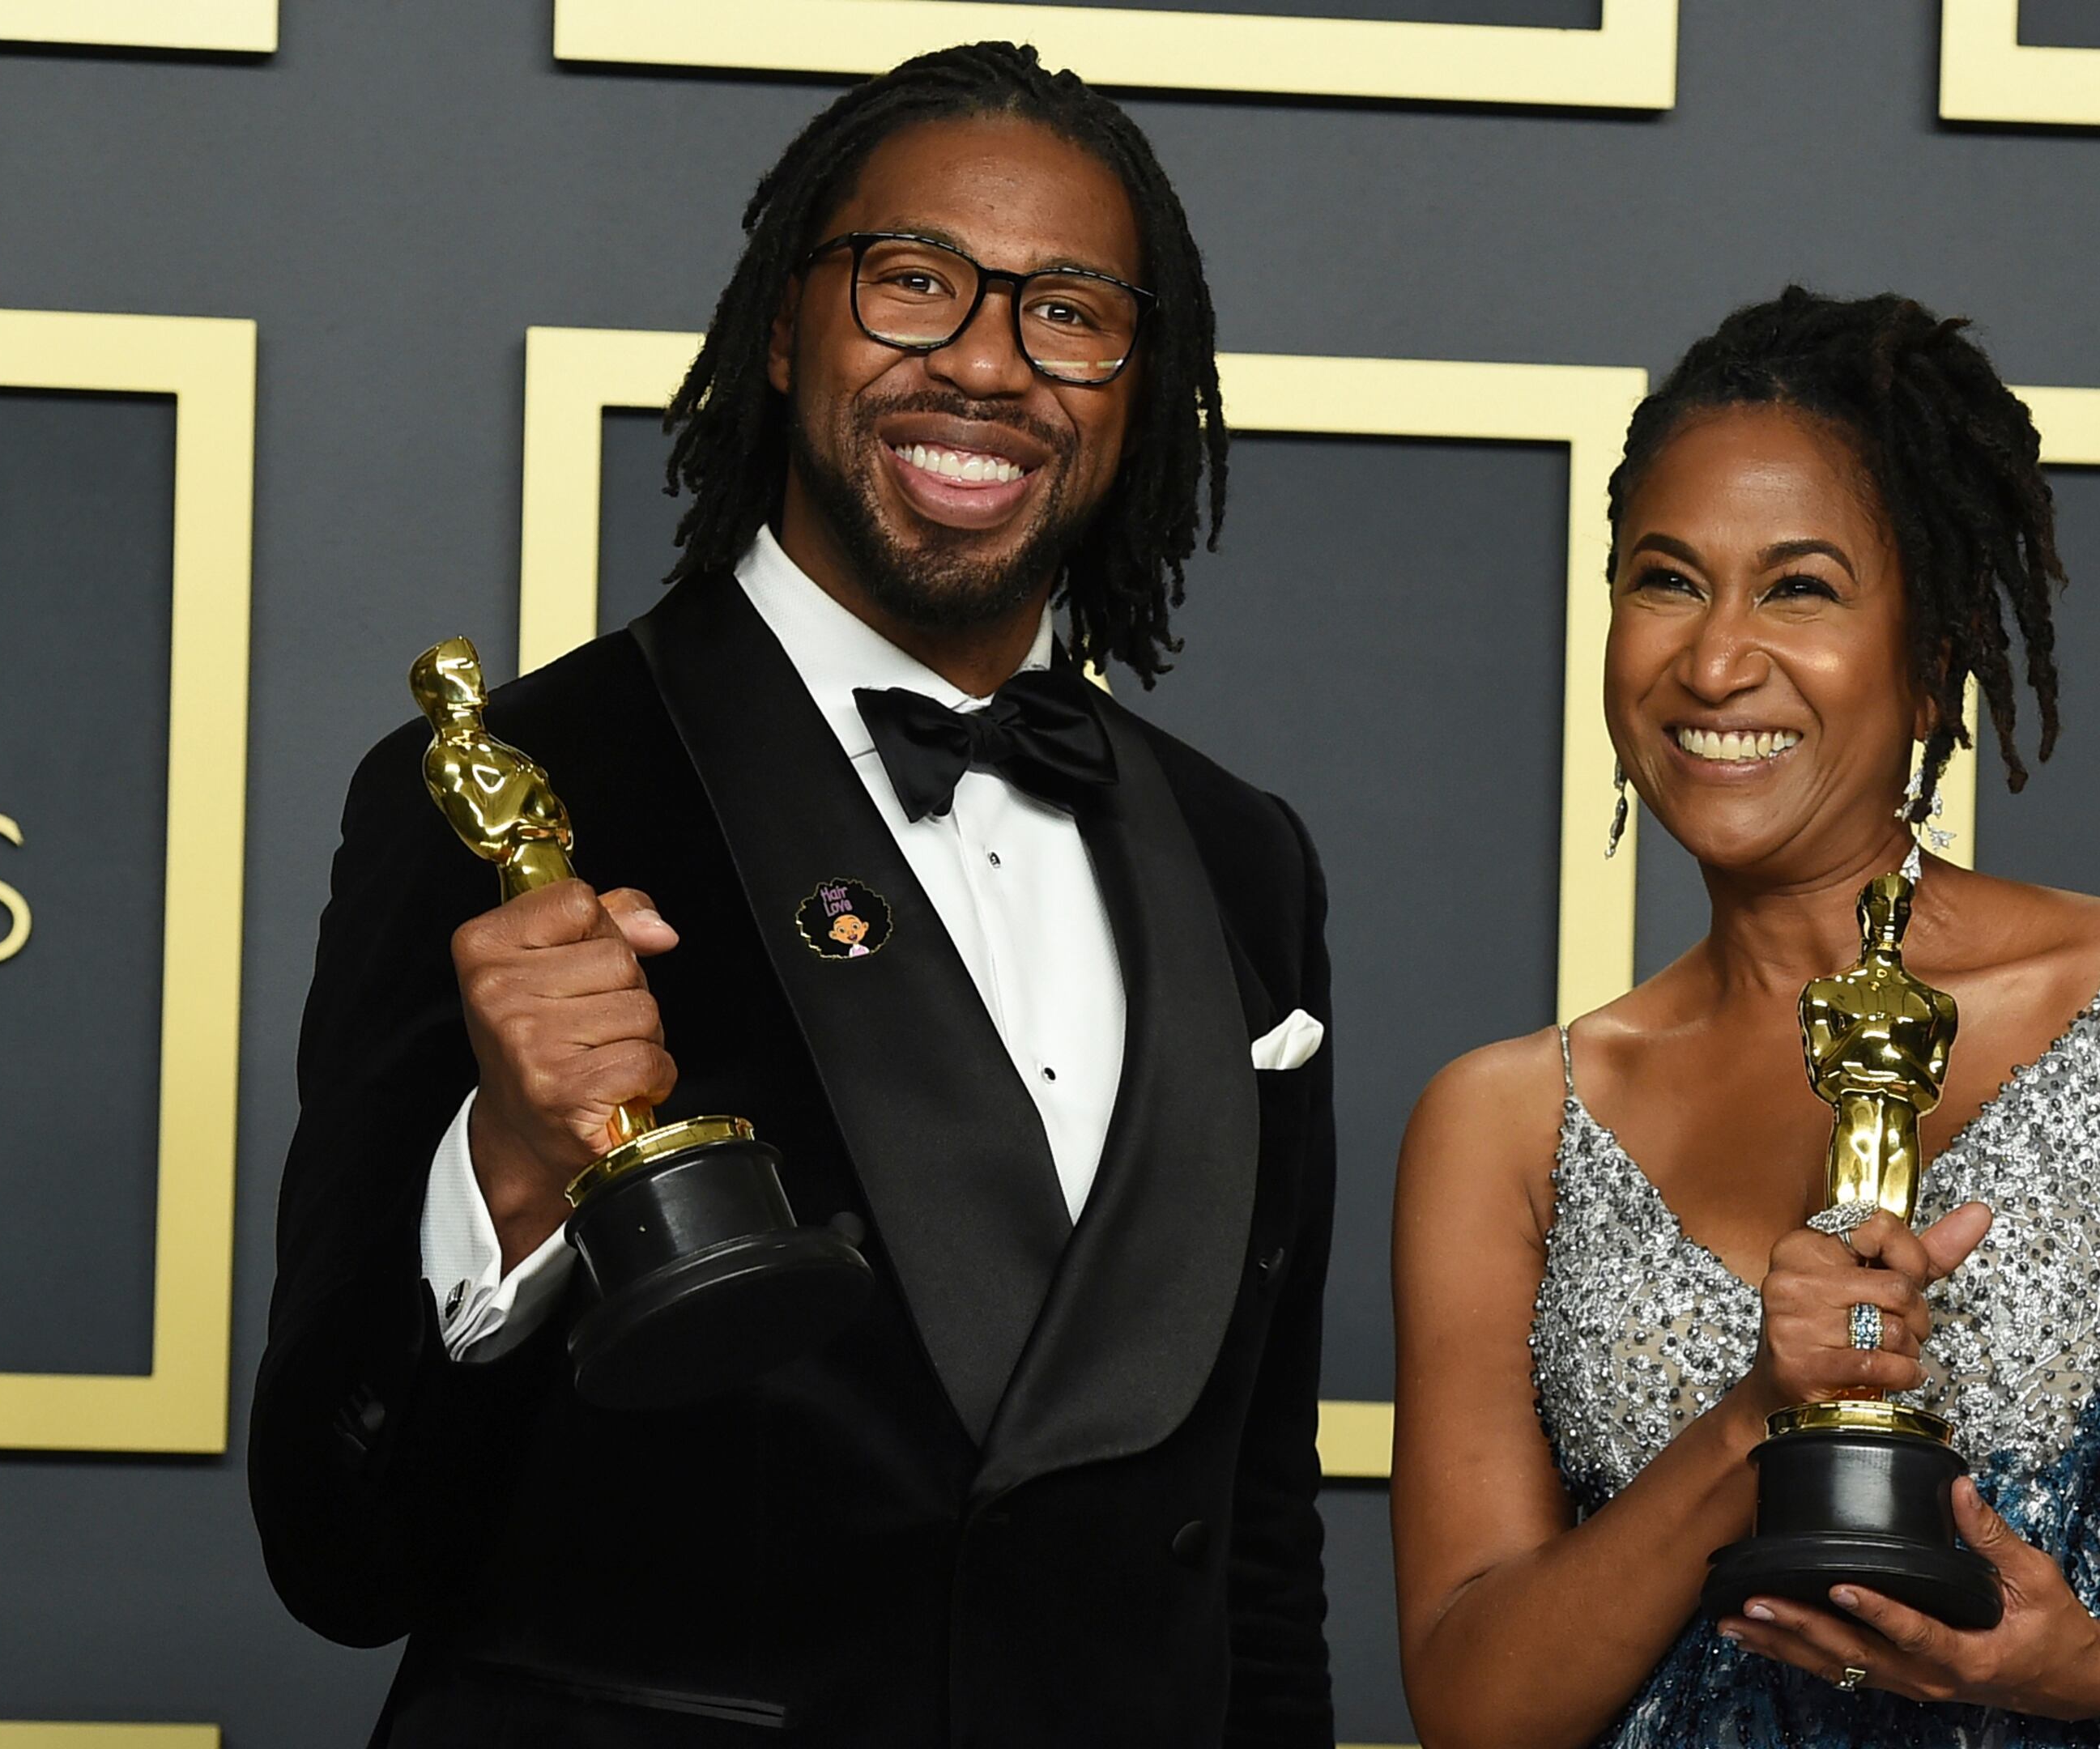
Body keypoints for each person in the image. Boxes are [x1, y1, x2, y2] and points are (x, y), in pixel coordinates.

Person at [250, 43, 1335, 1746]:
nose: (986, 363)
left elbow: (1255, 1542)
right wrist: (513, 1177)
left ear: (1141, 384)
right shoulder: (522, 792)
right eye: (914, 284)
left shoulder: (1244, 856)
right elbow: (335, 1548)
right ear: (780, 324)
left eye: (1067, 311)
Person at [1389, 289, 2100, 1749]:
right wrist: (1753, 1419)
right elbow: (1477, 1708)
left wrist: (2084, 1665)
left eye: (1800, 588)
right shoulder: (1508, 1119)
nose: (1715, 663)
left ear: (1935, 646)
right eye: (1667, 581)